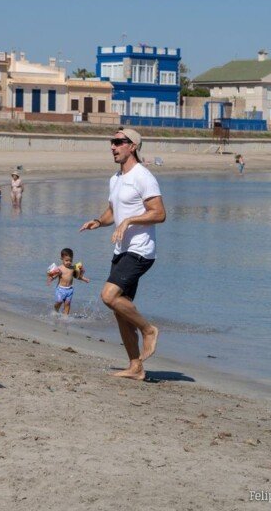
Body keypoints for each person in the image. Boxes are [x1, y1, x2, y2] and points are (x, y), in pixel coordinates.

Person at [79, 128, 166, 381]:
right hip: (121, 250)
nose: (113, 147)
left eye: (118, 142)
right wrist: (98, 221)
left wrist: (128, 221)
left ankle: (148, 330)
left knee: (109, 296)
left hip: (140, 251)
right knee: (120, 310)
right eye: (112, 142)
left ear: (133, 146)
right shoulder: (115, 178)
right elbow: (112, 211)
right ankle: (136, 366)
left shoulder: (143, 176)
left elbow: (159, 213)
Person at [46, 248, 89, 316]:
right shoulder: (59, 269)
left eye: (70, 260)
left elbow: (77, 277)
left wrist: (84, 279)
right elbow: (54, 276)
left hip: (69, 289)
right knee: (59, 301)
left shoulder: (72, 268)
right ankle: (56, 309)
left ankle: (65, 317)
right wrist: (50, 279)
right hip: (60, 289)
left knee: (67, 304)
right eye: (66, 260)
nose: (69, 262)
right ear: (62, 259)